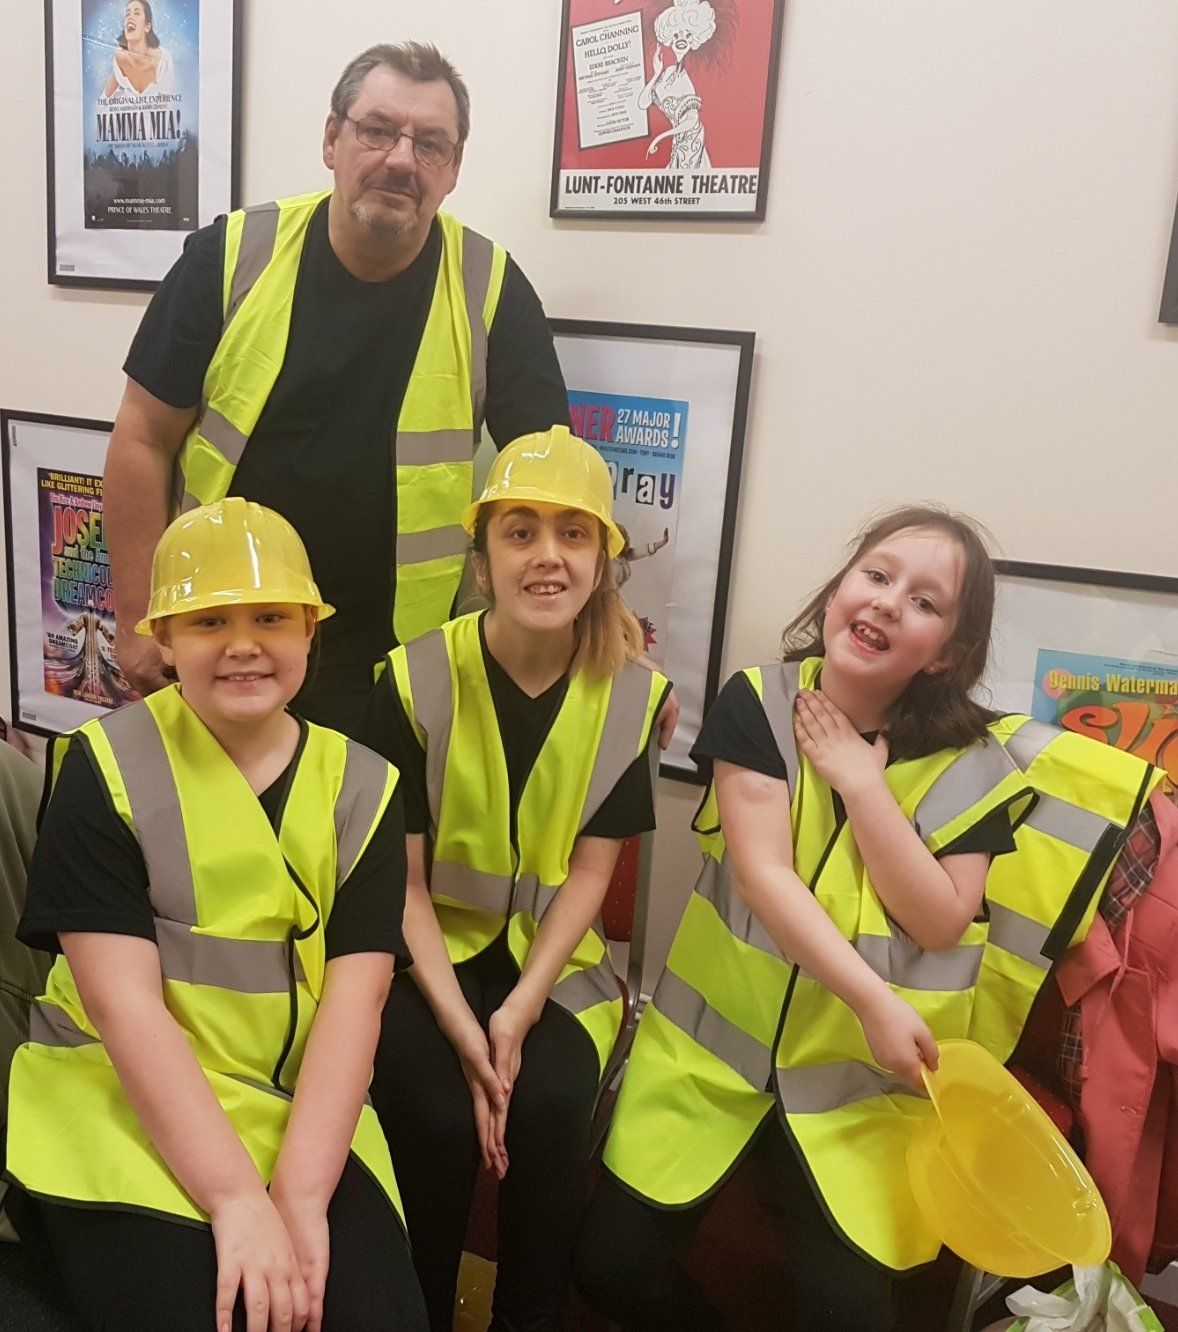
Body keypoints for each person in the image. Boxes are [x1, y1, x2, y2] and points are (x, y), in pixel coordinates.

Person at [575, 505, 1163, 1330]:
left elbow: (941, 919)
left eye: (925, 602)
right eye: (877, 576)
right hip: (710, 1064)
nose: (889, 601)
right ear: (838, 591)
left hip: (862, 1090)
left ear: (948, 651)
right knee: (608, 1268)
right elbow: (766, 878)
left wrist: (861, 783)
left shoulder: (977, 767)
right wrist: (873, 1000)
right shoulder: (761, 703)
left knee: (849, 1314)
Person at [6, 498, 428, 1331]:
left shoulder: (366, 788)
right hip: (115, 1097)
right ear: (164, 639)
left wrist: (298, 1199)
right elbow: (122, 1007)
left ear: (310, 629)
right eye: (209, 620)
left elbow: (358, 1003)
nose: (243, 643)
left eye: (270, 617)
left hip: (295, 1106)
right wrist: (237, 1200)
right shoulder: (103, 769)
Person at [103, 41, 570, 738]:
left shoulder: (491, 289)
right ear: (332, 140)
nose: (402, 160)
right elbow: (142, 439)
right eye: (377, 131)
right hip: (223, 643)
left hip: (394, 668)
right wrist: (138, 618)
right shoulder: (229, 258)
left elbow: (557, 487)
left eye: (430, 144)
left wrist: (602, 643)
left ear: (453, 169)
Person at [363, 426, 671, 1330]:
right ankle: (417, 1314)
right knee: (433, 1112)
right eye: (520, 531)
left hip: (558, 968)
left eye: (573, 534)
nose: (547, 555)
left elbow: (591, 874)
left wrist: (518, 1011)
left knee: (551, 1104)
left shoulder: (633, 697)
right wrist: (467, 1029)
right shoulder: (412, 680)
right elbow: (402, 887)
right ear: (483, 558)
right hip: (429, 957)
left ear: (602, 562)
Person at [639, 0, 720, 169]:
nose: (681, 39)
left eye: (688, 35)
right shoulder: (668, 72)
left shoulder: (687, 79)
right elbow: (643, 103)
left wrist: (660, 137)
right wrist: (656, 74)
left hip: (691, 141)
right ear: (669, 37)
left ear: (695, 39)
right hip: (679, 141)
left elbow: (692, 120)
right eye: (676, 35)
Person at [101, 0, 174, 100]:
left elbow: (171, 102)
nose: (130, 17)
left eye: (137, 13)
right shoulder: (120, 58)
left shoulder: (162, 62)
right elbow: (104, 98)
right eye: (127, 14)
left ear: (147, 27)